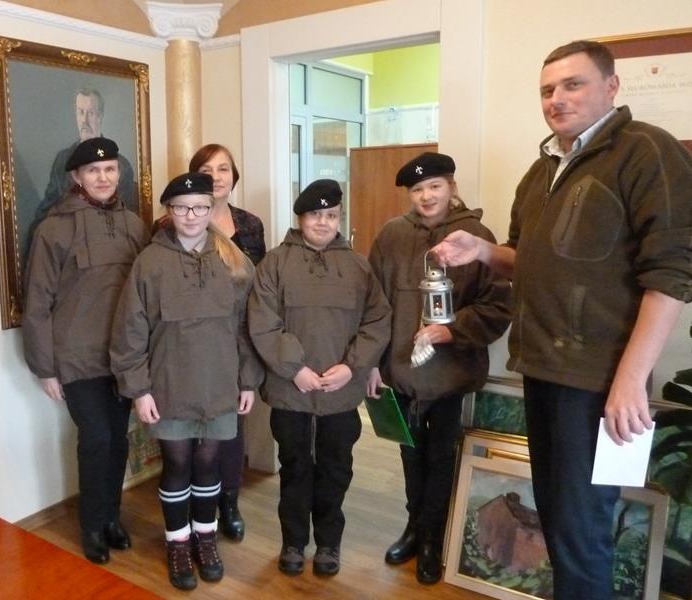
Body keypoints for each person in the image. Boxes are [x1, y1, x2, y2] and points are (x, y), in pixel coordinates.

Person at [431, 40, 692, 599]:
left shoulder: (647, 151)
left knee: (581, 532)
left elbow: (671, 274)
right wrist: (482, 252)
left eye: (573, 84)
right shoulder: (541, 170)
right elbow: (527, 260)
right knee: (557, 519)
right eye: (547, 89)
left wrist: (629, 380)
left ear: (611, 86)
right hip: (542, 369)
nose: (557, 98)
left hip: (599, 381)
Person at [110, 172, 263, 590]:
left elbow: (248, 328)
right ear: (168, 212)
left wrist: (248, 381)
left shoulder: (233, 262)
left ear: (211, 209)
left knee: (209, 462)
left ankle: (205, 537)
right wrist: (139, 390)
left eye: (199, 207)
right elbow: (130, 331)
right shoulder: (149, 263)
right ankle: (177, 542)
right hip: (169, 385)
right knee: (177, 464)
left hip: (220, 384)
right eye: (181, 207)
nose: (191, 215)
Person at [367, 152, 511, 584]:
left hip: (452, 374)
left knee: (442, 456)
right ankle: (413, 527)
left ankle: (433, 537)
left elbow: (497, 305)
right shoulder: (391, 235)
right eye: (417, 189)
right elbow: (372, 304)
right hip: (400, 372)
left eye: (434, 186)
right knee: (410, 454)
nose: (426, 196)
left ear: (451, 187)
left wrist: (452, 330)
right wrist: (373, 363)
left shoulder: (477, 236)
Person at [248, 179, 391, 577]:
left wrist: (352, 367)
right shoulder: (274, 263)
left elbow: (377, 321)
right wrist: (295, 369)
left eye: (331, 215)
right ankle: (293, 541)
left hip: (340, 393)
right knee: (294, 467)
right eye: (315, 215)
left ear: (340, 218)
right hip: (290, 391)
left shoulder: (359, 267)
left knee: (335, 468)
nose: (323, 222)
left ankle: (329, 542)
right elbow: (262, 322)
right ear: (300, 218)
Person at [22, 137, 149, 564]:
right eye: (94, 170)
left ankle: (112, 517)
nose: (103, 177)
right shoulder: (53, 229)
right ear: (76, 176)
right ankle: (92, 525)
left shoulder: (133, 225)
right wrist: (44, 368)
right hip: (77, 358)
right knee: (96, 439)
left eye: (110, 169)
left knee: (118, 440)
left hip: (123, 357)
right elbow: (37, 303)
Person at [151, 144, 266, 542]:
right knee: (182, 450)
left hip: (229, 351)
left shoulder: (249, 226)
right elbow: (148, 306)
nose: (216, 176)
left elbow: (255, 297)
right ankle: (183, 530)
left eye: (223, 169)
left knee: (225, 439)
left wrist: (250, 370)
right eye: (206, 169)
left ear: (233, 176)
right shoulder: (162, 236)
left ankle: (224, 508)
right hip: (179, 357)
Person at [28, 88, 138, 250]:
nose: (85, 120)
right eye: (81, 112)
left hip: (108, 243)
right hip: (67, 243)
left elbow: (123, 217)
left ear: (100, 116)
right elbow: (48, 207)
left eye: (91, 113)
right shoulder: (63, 159)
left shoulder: (122, 165)